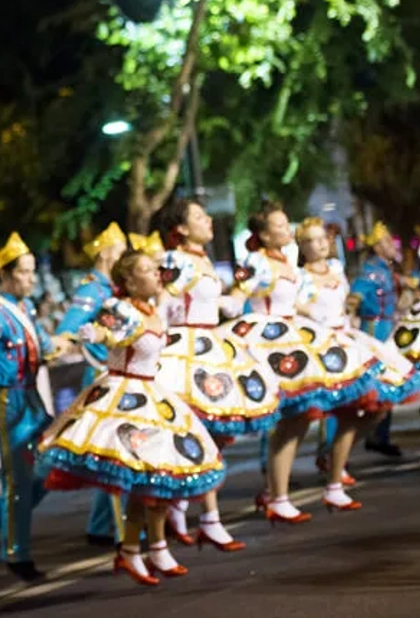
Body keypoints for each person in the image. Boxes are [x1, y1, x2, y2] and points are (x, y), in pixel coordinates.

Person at [38, 250, 225, 586]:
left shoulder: (155, 309)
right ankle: (139, 550)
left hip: (154, 395)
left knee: (158, 479)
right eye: (146, 270)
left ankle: (146, 548)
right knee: (147, 479)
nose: (156, 274)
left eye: (155, 269)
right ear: (127, 280)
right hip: (124, 399)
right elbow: (105, 331)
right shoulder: (119, 308)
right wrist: (92, 335)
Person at [228, 202, 379, 524]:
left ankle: (278, 495)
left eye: (286, 224)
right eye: (280, 226)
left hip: (293, 337)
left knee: (300, 419)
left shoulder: (289, 264)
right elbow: (239, 289)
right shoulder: (256, 261)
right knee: (287, 421)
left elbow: (299, 304)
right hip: (266, 343)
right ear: (265, 235)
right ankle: (276, 496)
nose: (287, 230)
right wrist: (229, 301)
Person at [151, 199, 281, 550]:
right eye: (198, 217)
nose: (208, 221)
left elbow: (204, 301)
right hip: (187, 351)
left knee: (210, 436)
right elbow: (162, 301)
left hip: (210, 344)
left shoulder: (201, 258)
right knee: (199, 434)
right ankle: (204, 518)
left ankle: (181, 509)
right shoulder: (176, 258)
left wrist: (230, 301)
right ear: (180, 229)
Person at [296, 217, 420, 508]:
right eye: (314, 239)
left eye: (323, 237)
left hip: (352, 340)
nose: (323, 242)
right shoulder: (302, 277)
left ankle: (337, 460)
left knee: (377, 398)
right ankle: (323, 468)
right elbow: (347, 301)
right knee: (327, 408)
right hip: (325, 345)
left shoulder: (338, 269)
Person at [0, 232, 63, 583]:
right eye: (24, 272)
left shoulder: (25, 309)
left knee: (57, 455)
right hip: (7, 400)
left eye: (31, 272)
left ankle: (2, 512)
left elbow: (44, 344)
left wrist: (73, 340)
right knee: (18, 480)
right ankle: (16, 552)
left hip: (31, 397)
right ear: (6, 275)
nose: (31, 279)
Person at [55, 221, 128, 546]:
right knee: (113, 452)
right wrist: (62, 344)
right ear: (108, 253)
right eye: (121, 252)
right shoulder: (92, 290)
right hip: (100, 375)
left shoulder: (108, 289)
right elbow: (68, 328)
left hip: (115, 376)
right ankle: (120, 530)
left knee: (114, 450)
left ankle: (103, 526)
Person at [352, 221, 408, 457]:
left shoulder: (386, 270)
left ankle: (379, 435)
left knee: (390, 382)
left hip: (387, 326)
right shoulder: (372, 271)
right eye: (385, 242)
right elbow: (354, 295)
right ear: (376, 247)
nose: (391, 245)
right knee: (375, 383)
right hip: (374, 329)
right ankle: (349, 443)